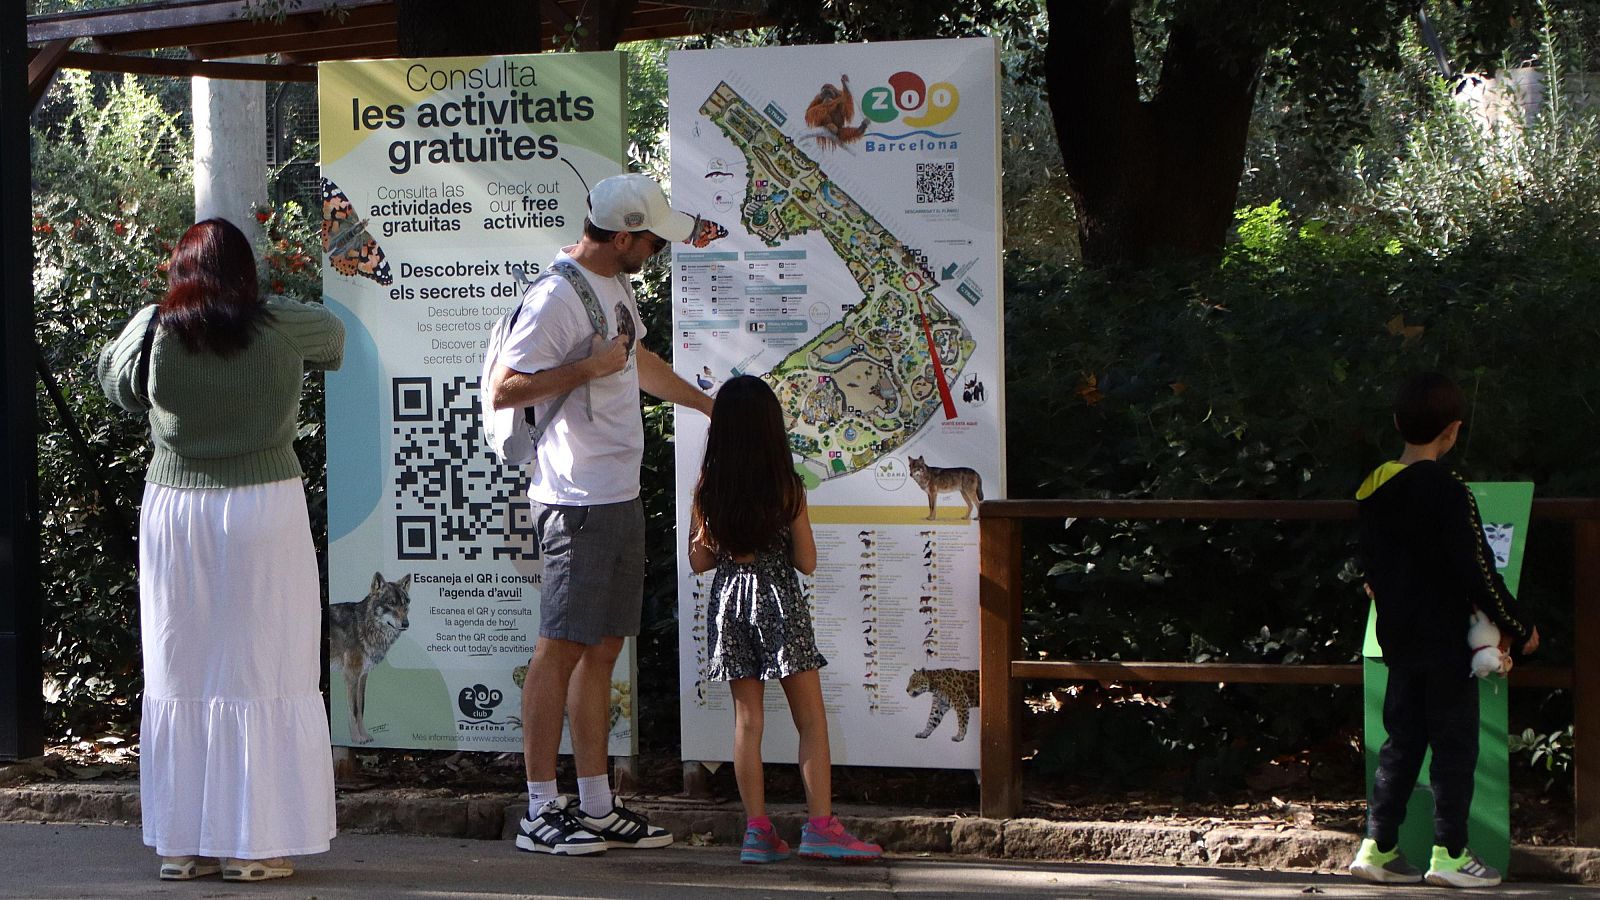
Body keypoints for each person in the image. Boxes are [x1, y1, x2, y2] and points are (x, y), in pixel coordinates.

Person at [97, 218, 345, 882]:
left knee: (183, 667)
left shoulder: (154, 327)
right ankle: (254, 845)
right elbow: (333, 337)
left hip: (176, 512)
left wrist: (167, 314)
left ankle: (183, 845)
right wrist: (256, 304)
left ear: (178, 270)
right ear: (245, 273)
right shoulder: (279, 326)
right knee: (267, 667)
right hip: (264, 506)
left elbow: (116, 385)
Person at [491, 174, 715, 856]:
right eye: (652, 238)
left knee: (604, 647)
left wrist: (711, 404)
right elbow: (507, 388)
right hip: (574, 502)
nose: (658, 248)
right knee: (558, 649)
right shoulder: (557, 297)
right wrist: (584, 371)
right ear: (623, 237)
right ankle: (538, 809)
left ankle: (592, 802)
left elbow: (636, 362)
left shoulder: (615, 286)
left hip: (616, 494)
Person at [1347, 372, 1539, 889]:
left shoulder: (1374, 488)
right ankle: (1450, 854)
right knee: (1454, 747)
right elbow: (1477, 569)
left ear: (1396, 423)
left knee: (1401, 742)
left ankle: (1378, 846)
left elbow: (1369, 565)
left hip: (1399, 637)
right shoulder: (1450, 493)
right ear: (1452, 432)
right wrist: (1518, 628)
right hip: (1446, 638)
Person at [688, 375, 883, 863]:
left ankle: (758, 831)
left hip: (730, 600)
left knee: (747, 720)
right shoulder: (785, 487)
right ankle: (820, 826)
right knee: (810, 719)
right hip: (779, 601)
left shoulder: (709, 487)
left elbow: (698, 562)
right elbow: (808, 561)